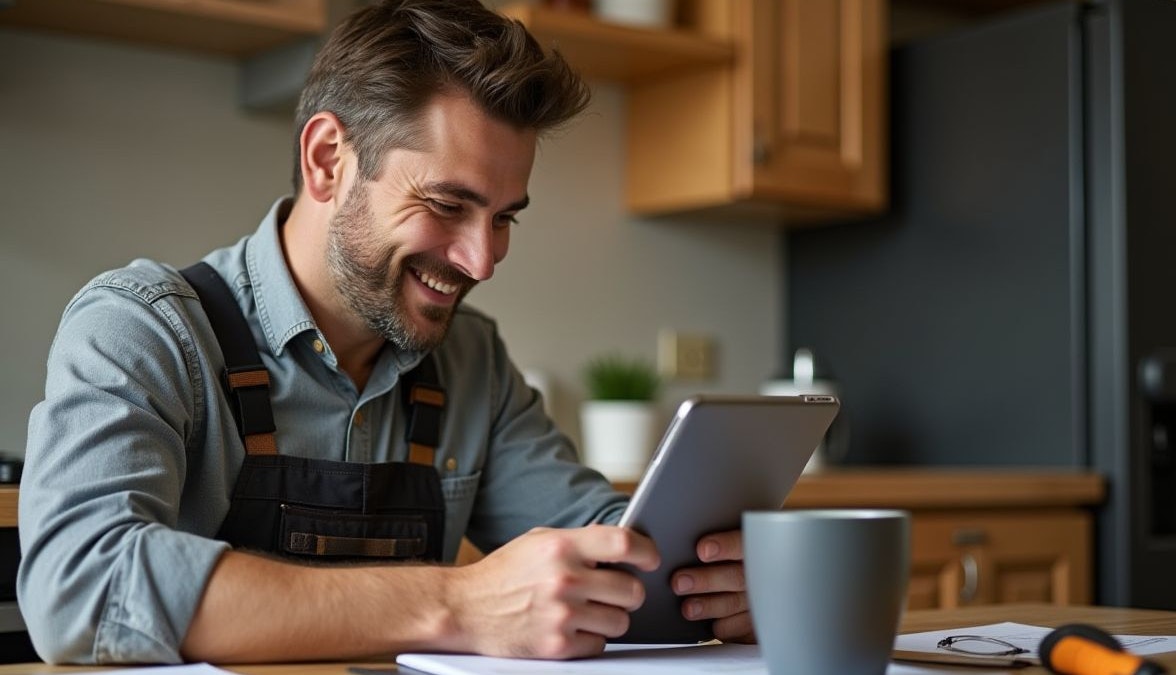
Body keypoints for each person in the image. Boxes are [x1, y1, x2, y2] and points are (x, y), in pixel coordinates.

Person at [17, 0, 752, 665]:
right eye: (447, 204)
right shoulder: (143, 328)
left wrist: (714, 581)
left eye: (503, 218)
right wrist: (459, 603)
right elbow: (81, 585)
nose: (482, 260)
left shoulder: (472, 360)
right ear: (328, 160)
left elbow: (605, 546)